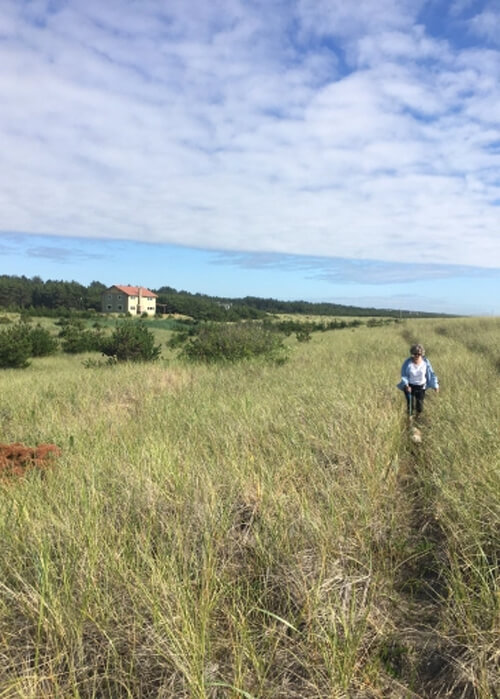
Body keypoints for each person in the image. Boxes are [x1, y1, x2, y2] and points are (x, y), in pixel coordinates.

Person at [397, 343, 439, 418]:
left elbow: (431, 374)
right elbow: (404, 375)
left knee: (419, 407)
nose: (416, 355)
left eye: (418, 354)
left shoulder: (426, 362)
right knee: (410, 406)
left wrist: (435, 385)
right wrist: (406, 385)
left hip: (421, 387)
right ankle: (410, 420)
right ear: (412, 353)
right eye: (414, 354)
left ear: (422, 354)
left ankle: (417, 418)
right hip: (409, 386)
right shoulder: (407, 363)